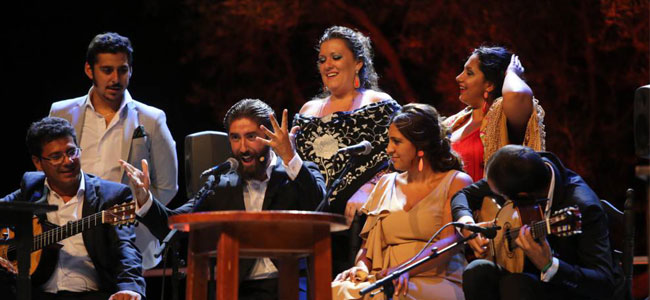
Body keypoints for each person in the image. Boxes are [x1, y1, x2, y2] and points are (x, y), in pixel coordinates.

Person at [122, 99, 326, 300]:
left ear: (268, 136)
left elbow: (322, 208)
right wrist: (144, 198)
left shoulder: (297, 173)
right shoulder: (221, 184)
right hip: (237, 290)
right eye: (235, 138)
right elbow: (173, 225)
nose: (243, 148)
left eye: (251, 137)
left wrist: (291, 158)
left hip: (290, 287)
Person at [49, 32, 178, 269]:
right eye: (107, 70)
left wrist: (135, 213)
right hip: (71, 237)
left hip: (130, 240)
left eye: (123, 70)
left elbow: (168, 186)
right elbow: (48, 173)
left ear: (131, 71)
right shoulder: (62, 113)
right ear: (90, 70)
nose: (115, 78)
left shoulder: (151, 119)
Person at [331, 104, 472, 300]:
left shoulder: (455, 181)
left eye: (397, 142)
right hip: (384, 277)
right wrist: (360, 267)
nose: (389, 149)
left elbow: (450, 243)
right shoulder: (385, 183)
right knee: (334, 290)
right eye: (389, 141)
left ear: (420, 145)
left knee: (388, 295)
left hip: (436, 279)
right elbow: (367, 248)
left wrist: (403, 270)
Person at [293, 25, 401, 275]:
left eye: (336, 57)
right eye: (322, 59)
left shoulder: (378, 104)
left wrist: (369, 191)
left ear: (358, 64)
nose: (327, 64)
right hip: (312, 220)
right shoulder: (307, 111)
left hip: (359, 225)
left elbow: (397, 156)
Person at [1, 117, 145, 300]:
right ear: (38, 163)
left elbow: (125, 248)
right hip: (35, 293)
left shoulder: (112, 196)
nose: (68, 161)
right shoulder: (31, 188)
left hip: (91, 294)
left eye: (72, 152)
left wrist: (130, 288)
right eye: (56, 156)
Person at [451, 145, 621, 300]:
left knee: (515, 285)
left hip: (566, 290)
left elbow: (603, 284)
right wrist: (467, 225)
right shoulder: (517, 169)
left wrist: (550, 265)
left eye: (502, 197)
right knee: (477, 271)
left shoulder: (583, 207)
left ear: (523, 196)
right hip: (523, 276)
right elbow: (463, 195)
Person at [444, 46, 545, 182]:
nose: (458, 78)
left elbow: (517, 94)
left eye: (469, 73)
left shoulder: (504, 118)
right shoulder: (453, 123)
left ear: (489, 84)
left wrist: (512, 73)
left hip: (487, 202)